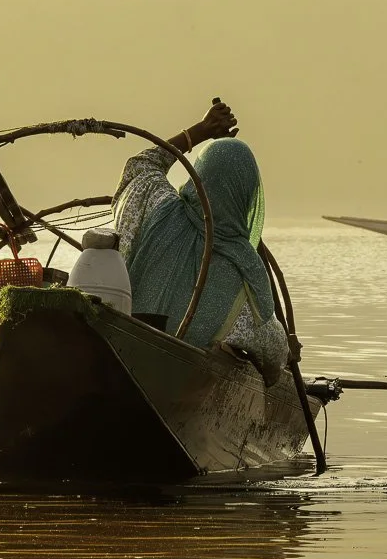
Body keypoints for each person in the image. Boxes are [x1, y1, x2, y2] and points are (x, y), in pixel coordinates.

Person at [112, 101, 289, 386]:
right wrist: (287, 351)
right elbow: (273, 354)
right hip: (175, 382)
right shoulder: (246, 268)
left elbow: (142, 165)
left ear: (199, 177)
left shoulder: (156, 204)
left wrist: (200, 131)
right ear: (246, 195)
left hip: (117, 354)